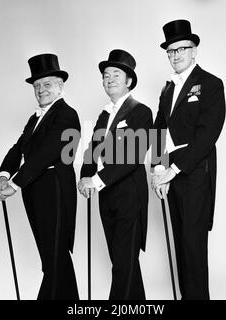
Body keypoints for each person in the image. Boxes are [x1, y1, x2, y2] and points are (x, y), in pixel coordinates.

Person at [0, 53, 80, 300]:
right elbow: (18, 148)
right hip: (35, 190)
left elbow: (49, 152)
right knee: (53, 258)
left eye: (47, 84)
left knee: (54, 256)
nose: (41, 90)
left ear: (60, 86)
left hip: (55, 190)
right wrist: (3, 175)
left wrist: (15, 183)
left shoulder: (67, 115)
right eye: (37, 86)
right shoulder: (34, 119)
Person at [151, 20, 226, 299]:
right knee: (181, 244)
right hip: (170, 176)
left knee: (193, 247)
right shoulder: (167, 89)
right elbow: (158, 130)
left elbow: (208, 136)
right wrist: (158, 169)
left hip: (195, 175)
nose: (176, 55)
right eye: (170, 51)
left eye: (181, 49)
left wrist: (173, 169)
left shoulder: (211, 84)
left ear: (194, 51)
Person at [78, 49, 153, 300]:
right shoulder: (103, 115)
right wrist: (83, 176)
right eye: (105, 75)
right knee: (123, 259)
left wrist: (96, 180)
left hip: (129, 194)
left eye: (115, 74)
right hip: (106, 195)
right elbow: (91, 150)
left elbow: (132, 157)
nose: (109, 79)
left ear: (129, 80)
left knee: (122, 262)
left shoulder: (141, 112)